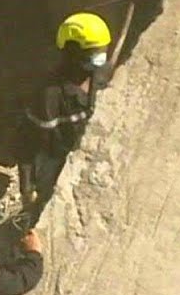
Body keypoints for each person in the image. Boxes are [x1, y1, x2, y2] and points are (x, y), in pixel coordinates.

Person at [18, 12, 112, 216]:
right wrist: (27, 187)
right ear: (73, 51)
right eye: (94, 51)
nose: (101, 56)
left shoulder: (104, 75)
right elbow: (29, 144)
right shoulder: (49, 96)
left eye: (103, 49)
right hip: (58, 165)